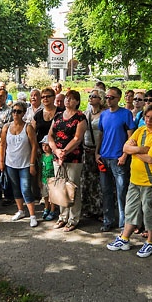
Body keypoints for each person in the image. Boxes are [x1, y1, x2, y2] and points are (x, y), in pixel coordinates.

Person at [105, 103, 152, 257]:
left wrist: (133, 150)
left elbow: (151, 158)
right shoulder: (141, 130)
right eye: (147, 117)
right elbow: (125, 148)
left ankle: (150, 243)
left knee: (149, 214)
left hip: (151, 181)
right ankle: (124, 238)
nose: (149, 120)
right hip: (135, 179)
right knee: (131, 210)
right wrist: (141, 149)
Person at [97, 86, 135, 233]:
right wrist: (97, 153)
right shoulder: (104, 114)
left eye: (111, 97)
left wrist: (125, 155)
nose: (108, 99)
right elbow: (101, 135)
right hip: (104, 157)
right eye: (106, 97)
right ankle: (108, 221)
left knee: (121, 192)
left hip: (118, 158)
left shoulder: (125, 114)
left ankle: (124, 224)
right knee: (106, 191)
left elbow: (131, 137)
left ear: (118, 98)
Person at [51, 89, 87, 231]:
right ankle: (62, 217)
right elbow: (50, 136)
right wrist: (56, 151)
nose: (68, 100)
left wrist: (64, 152)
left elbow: (77, 139)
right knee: (60, 187)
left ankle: (73, 218)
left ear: (77, 102)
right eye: (67, 98)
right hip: (58, 157)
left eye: (72, 99)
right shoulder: (58, 115)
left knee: (72, 188)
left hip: (73, 158)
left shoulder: (80, 117)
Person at [0, 101, 40, 227]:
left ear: (23, 113)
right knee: (15, 188)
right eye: (14, 111)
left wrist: (32, 164)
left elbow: (34, 146)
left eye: (19, 111)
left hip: (25, 164)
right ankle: (20, 210)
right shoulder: (6, 127)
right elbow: (2, 145)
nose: (15, 113)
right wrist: (1, 162)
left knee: (26, 189)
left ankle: (32, 215)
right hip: (11, 163)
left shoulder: (28, 127)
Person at [80, 88, 105, 222]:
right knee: (87, 180)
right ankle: (88, 208)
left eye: (94, 96)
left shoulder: (104, 114)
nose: (91, 97)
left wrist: (98, 151)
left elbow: (103, 134)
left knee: (99, 181)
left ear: (100, 99)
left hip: (99, 150)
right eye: (90, 95)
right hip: (86, 148)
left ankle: (100, 209)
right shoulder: (86, 112)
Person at [38, 136, 58, 220]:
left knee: (52, 196)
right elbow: (40, 168)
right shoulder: (42, 156)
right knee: (45, 195)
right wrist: (38, 180)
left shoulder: (53, 156)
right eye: (43, 145)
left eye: (46, 145)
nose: (44, 148)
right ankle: (46, 208)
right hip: (44, 179)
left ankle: (53, 210)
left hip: (52, 179)